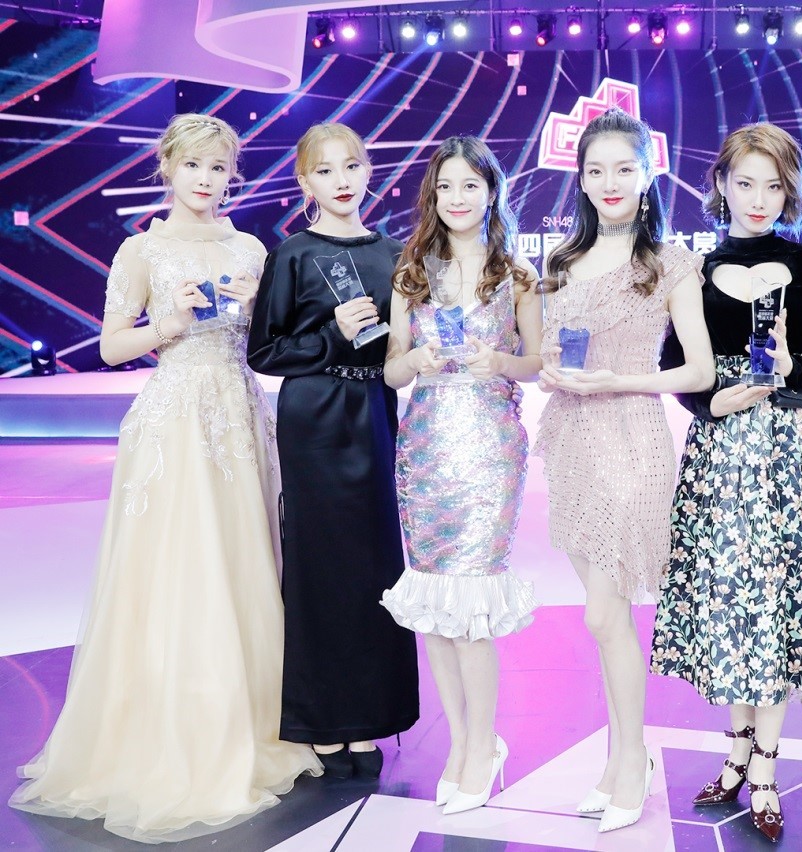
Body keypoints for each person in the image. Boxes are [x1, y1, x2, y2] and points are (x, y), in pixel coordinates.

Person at [9, 113, 320, 843]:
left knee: (244, 563)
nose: (206, 179)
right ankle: (174, 732)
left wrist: (261, 310)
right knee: (179, 569)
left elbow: (269, 341)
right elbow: (111, 347)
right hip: (175, 423)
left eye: (218, 167)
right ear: (168, 169)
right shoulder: (141, 249)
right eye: (193, 165)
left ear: (232, 175)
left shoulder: (250, 248)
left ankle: (252, 719)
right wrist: (166, 325)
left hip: (240, 416)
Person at [649, 122, 802, 843]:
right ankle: (736, 756)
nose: (759, 199)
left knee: (777, 604)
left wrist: (795, 366)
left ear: (790, 191)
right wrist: (710, 402)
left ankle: (764, 768)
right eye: (745, 183)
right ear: (720, 185)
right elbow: (675, 365)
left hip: (787, 452)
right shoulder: (694, 270)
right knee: (734, 607)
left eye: (773, 185)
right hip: (719, 455)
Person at [534, 107, 714, 834]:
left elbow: (698, 370)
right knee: (603, 617)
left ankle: (633, 759)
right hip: (572, 441)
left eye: (624, 168)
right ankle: (617, 761)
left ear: (647, 175)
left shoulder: (670, 263)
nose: (610, 182)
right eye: (596, 170)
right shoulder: (560, 263)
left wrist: (621, 381)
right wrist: (553, 371)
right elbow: (549, 355)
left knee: (605, 614)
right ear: (580, 180)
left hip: (633, 441)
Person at [247, 122, 419, 780]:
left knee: (375, 566)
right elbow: (264, 351)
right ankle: (321, 720)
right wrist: (330, 336)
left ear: (368, 171)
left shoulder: (396, 254)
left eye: (351, 166)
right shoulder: (293, 253)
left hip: (373, 412)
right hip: (313, 419)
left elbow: (401, 348)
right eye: (324, 171)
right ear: (304, 181)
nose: (340, 181)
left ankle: (370, 717)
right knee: (318, 567)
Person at [380, 137, 541, 814]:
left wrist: (497, 363)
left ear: (491, 192)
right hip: (425, 446)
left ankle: (484, 746)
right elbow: (392, 370)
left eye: (470, 185)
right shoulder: (411, 271)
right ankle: (462, 743)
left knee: (471, 606)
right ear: (432, 195)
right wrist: (413, 361)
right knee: (436, 609)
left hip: (489, 448)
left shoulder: (516, 272)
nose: (456, 198)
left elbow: (536, 363)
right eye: (445, 186)